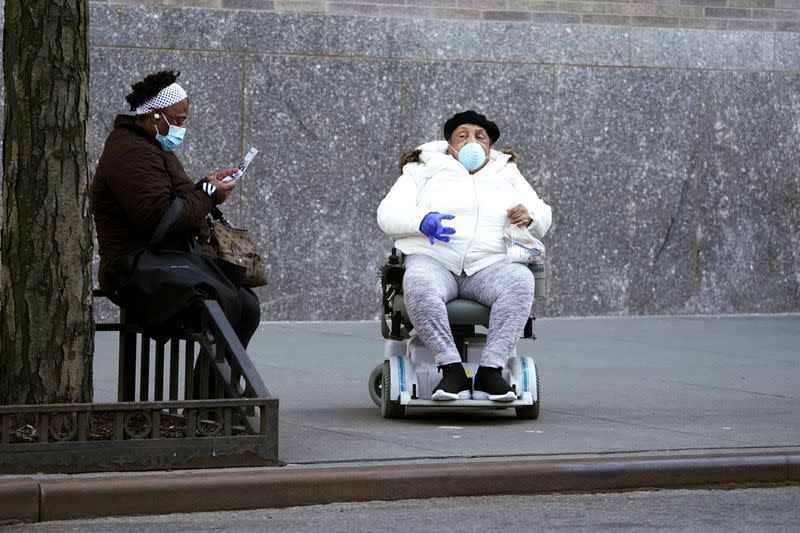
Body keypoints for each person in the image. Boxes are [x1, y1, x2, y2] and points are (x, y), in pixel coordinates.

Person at [377, 110, 552, 402]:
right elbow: (387, 214)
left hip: (487, 266)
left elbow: (542, 213)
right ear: (450, 144)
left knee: (521, 280)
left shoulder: (506, 172)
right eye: (463, 135)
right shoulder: (422, 169)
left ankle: (490, 371)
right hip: (434, 262)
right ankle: (451, 369)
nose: (472, 141)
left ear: (490, 145)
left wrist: (530, 216)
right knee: (418, 281)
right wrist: (421, 221)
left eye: (480, 136)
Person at [91, 70, 260, 348]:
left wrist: (208, 187)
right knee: (233, 303)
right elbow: (159, 217)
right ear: (154, 114)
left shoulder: (149, 145)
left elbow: (171, 201)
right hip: (134, 268)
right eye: (178, 120)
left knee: (246, 305)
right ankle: (211, 391)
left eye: (185, 120)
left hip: (158, 258)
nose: (182, 126)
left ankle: (211, 390)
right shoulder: (132, 152)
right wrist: (208, 195)